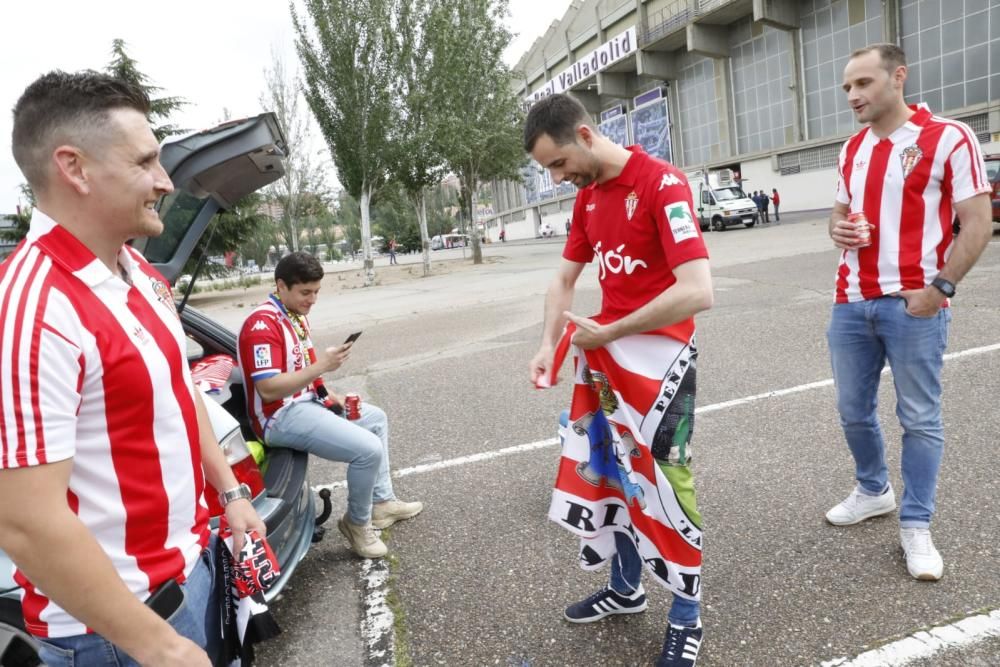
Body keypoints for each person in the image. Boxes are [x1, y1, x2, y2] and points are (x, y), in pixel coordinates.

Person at [0, 70, 264, 666]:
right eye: (145, 161)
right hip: (117, 633)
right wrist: (160, 646)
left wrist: (230, 494)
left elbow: (180, 394)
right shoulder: (33, 309)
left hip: (193, 578)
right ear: (75, 168)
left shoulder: (138, 275)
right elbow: (25, 521)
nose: (165, 182)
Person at [525, 93, 713, 667]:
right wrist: (545, 345)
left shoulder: (663, 184)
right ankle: (627, 588)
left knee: (666, 484)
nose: (558, 179)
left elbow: (697, 290)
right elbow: (563, 280)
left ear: (584, 135)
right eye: (548, 171)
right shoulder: (588, 199)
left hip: (660, 367)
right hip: (606, 364)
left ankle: (687, 614)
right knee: (610, 477)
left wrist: (610, 331)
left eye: (558, 163)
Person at [825, 43, 991, 581]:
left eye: (864, 83)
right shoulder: (850, 149)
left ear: (899, 77)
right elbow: (840, 212)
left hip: (913, 304)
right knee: (853, 411)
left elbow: (978, 220)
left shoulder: (947, 137)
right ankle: (874, 490)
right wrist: (838, 228)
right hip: (850, 301)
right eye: (848, 86)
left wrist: (939, 289)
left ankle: (916, 523)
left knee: (919, 417)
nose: (853, 95)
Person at [237, 251, 422, 559]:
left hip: (304, 404)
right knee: (367, 450)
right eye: (305, 292)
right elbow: (268, 390)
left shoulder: (293, 315)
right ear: (281, 286)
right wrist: (322, 365)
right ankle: (356, 524)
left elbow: (304, 366)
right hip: (279, 417)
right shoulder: (262, 325)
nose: (312, 299)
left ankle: (381, 503)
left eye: (317, 292)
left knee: (375, 418)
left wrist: (328, 394)